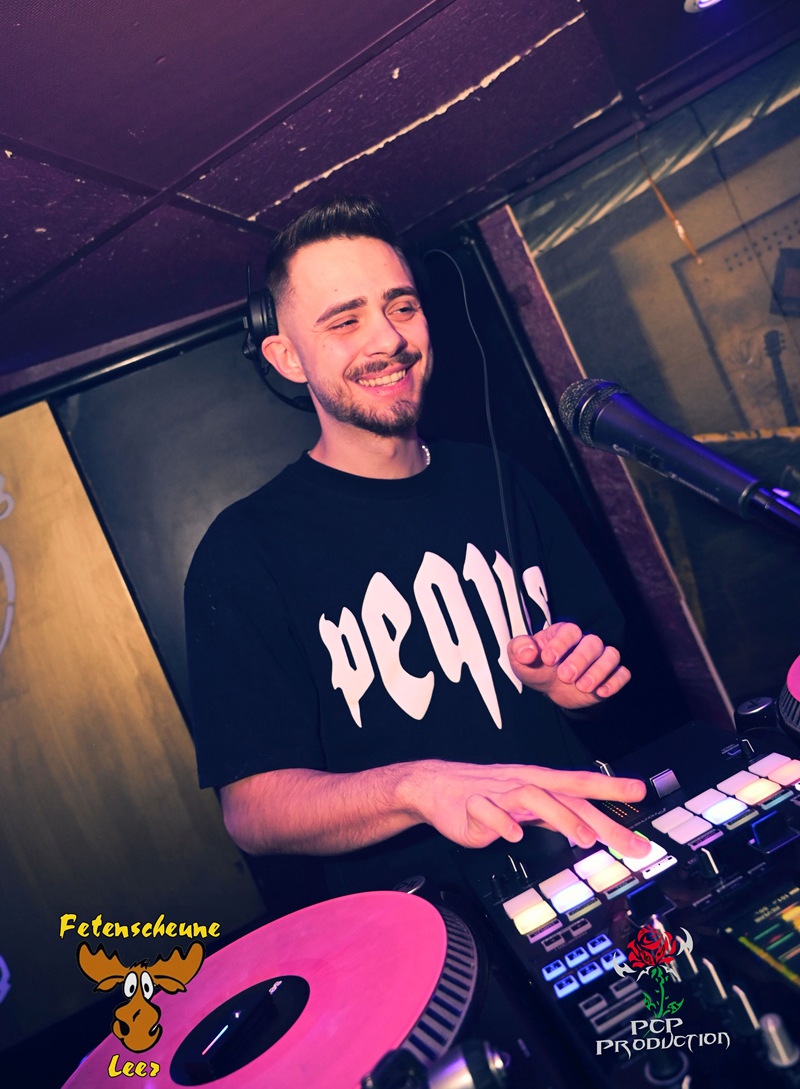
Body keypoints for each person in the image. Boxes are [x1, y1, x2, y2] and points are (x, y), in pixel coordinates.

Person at [184, 196, 650, 899]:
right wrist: (414, 788)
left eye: (401, 307)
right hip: (430, 928)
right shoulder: (244, 551)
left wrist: (577, 690)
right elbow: (252, 812)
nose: (389, 338)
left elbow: (605, 686)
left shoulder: (501, 478)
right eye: (345, 320)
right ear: (286, 357)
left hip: (593, 865)